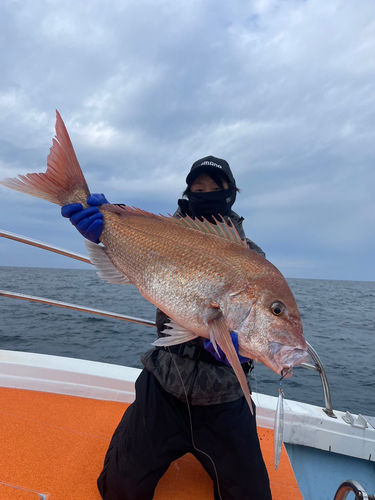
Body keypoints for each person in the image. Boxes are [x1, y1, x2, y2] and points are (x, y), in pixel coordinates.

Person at [62, 156, 272, 500]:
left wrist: (238, 351)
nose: (206, 193)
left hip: (225, 396)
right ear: (187, 192)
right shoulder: (167, 234)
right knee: (118, 489)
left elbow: (261, 328)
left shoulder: (251, 257)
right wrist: (105, 229)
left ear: (231, 194)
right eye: (198, 187)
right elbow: (141, 255)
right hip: (164, 382)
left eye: (215, 188)